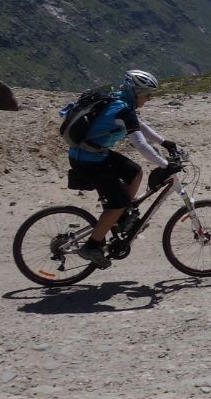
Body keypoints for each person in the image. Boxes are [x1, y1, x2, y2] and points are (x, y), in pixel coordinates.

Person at [65, 69, 179, 267]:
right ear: (137, 92)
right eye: (147, 94)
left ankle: (122, 217)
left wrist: (164, 142)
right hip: (88, 160)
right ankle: (91, 246)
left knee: (135, 172)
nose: (149, 99)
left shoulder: (119, 100)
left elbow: (138, 124)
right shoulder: (123, 110)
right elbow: (140, 144)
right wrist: (165, 165)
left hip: (92, 153)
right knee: (118, 202)